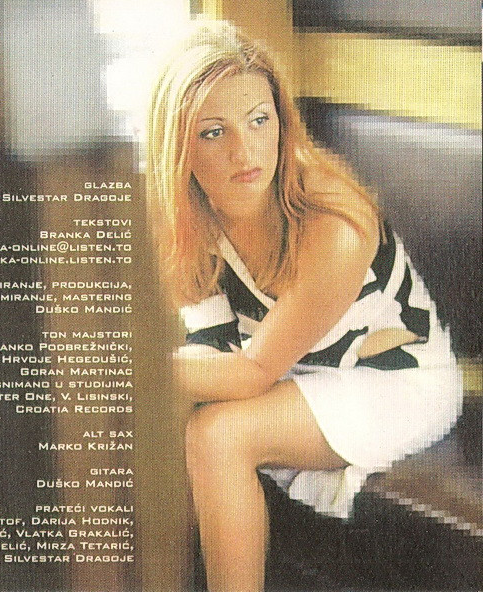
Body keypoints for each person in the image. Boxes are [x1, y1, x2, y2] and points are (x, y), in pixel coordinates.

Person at [146, 21, 462, 592]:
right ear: (179, 148)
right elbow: (211, 343)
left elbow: (249, 372)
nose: (245, 151)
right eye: (213, 132)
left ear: (281, 121)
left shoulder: (333, 223)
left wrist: (126, 365)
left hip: (396, 379)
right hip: (302, 369)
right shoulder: (191, 215)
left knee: (217, 434)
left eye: (258, 120)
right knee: (176, 422)